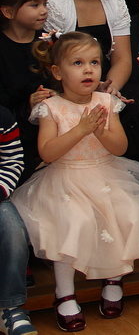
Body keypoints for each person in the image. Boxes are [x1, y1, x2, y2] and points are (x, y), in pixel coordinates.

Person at [12, 32, 139, 331]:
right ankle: (64, 293)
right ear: (57, 72)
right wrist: (80, 130)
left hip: (106, 173)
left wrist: (100, 131)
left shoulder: (107, 102)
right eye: (78, 63)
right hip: (64, 177)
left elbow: (120, 147)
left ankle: (114, 279)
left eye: (94, 62)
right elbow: (47, 152)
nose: (88, 70)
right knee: (73, 221)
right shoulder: (50, 107)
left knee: (128, 214)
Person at [0, 0, 51, 184]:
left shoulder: (48, 42)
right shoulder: (3, 51)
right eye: (34, 5)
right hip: (16, 141)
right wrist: (29, 105)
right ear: (8, 11)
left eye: (45, 4)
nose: (43, 11)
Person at [0, 105, 38, 335]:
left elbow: (13, 160)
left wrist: (1, 189)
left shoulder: (3, 117)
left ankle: (9, 305)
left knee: (13, 228)